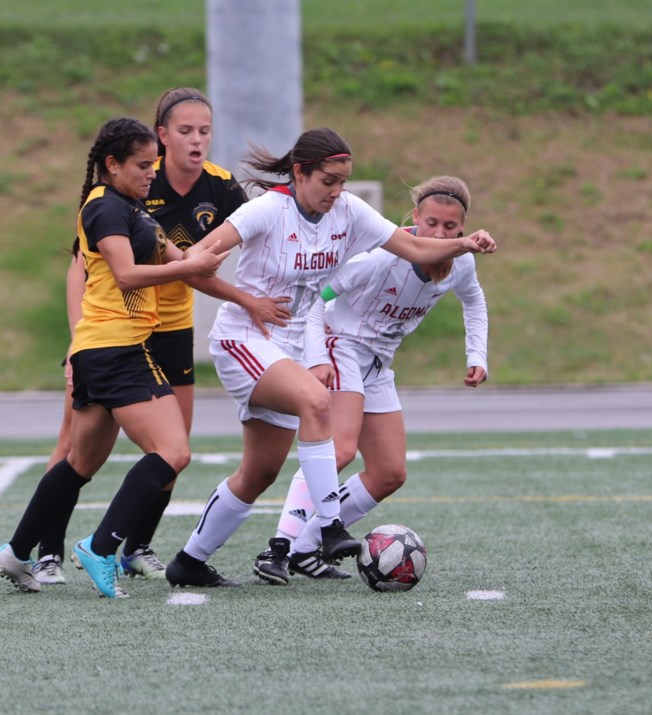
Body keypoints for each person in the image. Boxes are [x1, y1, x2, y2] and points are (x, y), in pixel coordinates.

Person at [163, 128, 497, 588]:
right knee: (317, 404)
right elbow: (193, 262)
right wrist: (246, 299)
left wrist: (464, 245)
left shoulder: (348, 211)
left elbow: (417, 246)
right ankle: (329, 527)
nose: (337, 191)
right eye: (329, 181)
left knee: (258, 473)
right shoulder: (265, 210)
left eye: (343, 181)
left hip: (293, 348)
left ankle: (188, 560)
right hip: (245, 337)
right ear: (300, 173)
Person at [28, 88, 290, 585]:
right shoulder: (130, 183)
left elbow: (242, 243)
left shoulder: (221, 188)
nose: (197, 141)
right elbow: (82, 265)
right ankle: (46, 551)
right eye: (185, 131)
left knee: (172, 450)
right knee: (74, 446)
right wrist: (74, 338)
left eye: (206, 131)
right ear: (162, 137)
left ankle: (135, 546)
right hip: (111, 329)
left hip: (169, 329)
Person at [0, 116, 232, 599]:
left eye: (153, 165)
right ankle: (102, 547)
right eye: (142, 165)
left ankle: (16, 552)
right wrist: (192, 264)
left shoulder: (136, 211)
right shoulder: (104, 208)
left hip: (103, 351)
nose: (150, 173)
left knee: (80, 463)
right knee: (173, 451)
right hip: (116, 347)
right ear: (111, 164)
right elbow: (126, 275)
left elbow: (184, 264)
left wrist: (250, 301)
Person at [253, 175, 489, 585]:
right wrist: (314, 359)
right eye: (431, 223)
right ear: (415, 218)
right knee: (339, 449)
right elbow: (317, 301)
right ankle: (278, 548)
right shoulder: (383, 256)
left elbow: (474, 301)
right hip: (340, 346)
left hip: (377, 363)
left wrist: (477, 355)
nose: (440, 232)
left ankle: (305, 550)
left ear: (462, 230)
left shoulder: (460, 263)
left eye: (450, 227)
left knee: (389, 473)